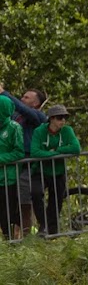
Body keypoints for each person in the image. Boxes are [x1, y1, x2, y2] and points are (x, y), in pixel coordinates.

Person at [29, 104, 79, 236]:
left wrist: (57, 151)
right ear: (51, 119)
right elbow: (35, 152)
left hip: (58, 172)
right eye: (59, 117)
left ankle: (52, 232)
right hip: (40, 170)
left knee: (56, 201)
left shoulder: (67, 130)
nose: (63, 120)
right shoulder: (39, 131)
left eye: (64, 117)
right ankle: (43, 225)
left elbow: (76, 148)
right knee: (36, 193)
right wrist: (51, 155)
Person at [4, 87, 46, 238]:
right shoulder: (15, 116)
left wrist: (4, 93)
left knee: (25, 201)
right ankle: (12, 237)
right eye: (22, 96)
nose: (22, 99)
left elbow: (22, 108)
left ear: (36, 104)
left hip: (27, 163)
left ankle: (26, 237)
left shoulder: (38, 116)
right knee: (10, 201)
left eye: (27, 98)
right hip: (12, 162)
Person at [0, 94, 23, 240]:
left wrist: (1, 159)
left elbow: (19, 152)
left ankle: (11, 241)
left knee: (8, 212)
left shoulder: (14, 127)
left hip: (8, 178)